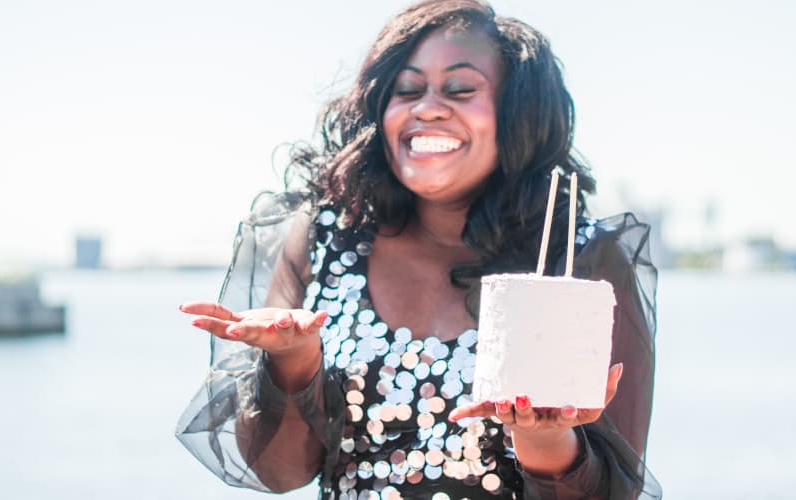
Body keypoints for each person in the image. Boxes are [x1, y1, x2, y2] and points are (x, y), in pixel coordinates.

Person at [176, 1, 661, 498]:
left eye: (461, 89)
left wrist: (545, 439)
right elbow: (280, 473)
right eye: (407, 90)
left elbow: (612, 491)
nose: (427, 107)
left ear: (517, 113)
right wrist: (295, 364)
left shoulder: (579, 262)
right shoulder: (322, 238)